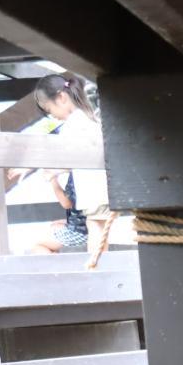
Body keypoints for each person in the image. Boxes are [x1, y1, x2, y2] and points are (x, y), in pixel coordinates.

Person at [29, 75, 113, 258]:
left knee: (96, 228)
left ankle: (98, 267)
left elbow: (80, 157)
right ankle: (98, 266)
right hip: (95, 188)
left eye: (49, 109)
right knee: (97, 228)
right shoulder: (87, 118)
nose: (52, 115)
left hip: (94, 187)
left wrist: (55, 170)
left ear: (61, 97)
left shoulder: (75, 124)